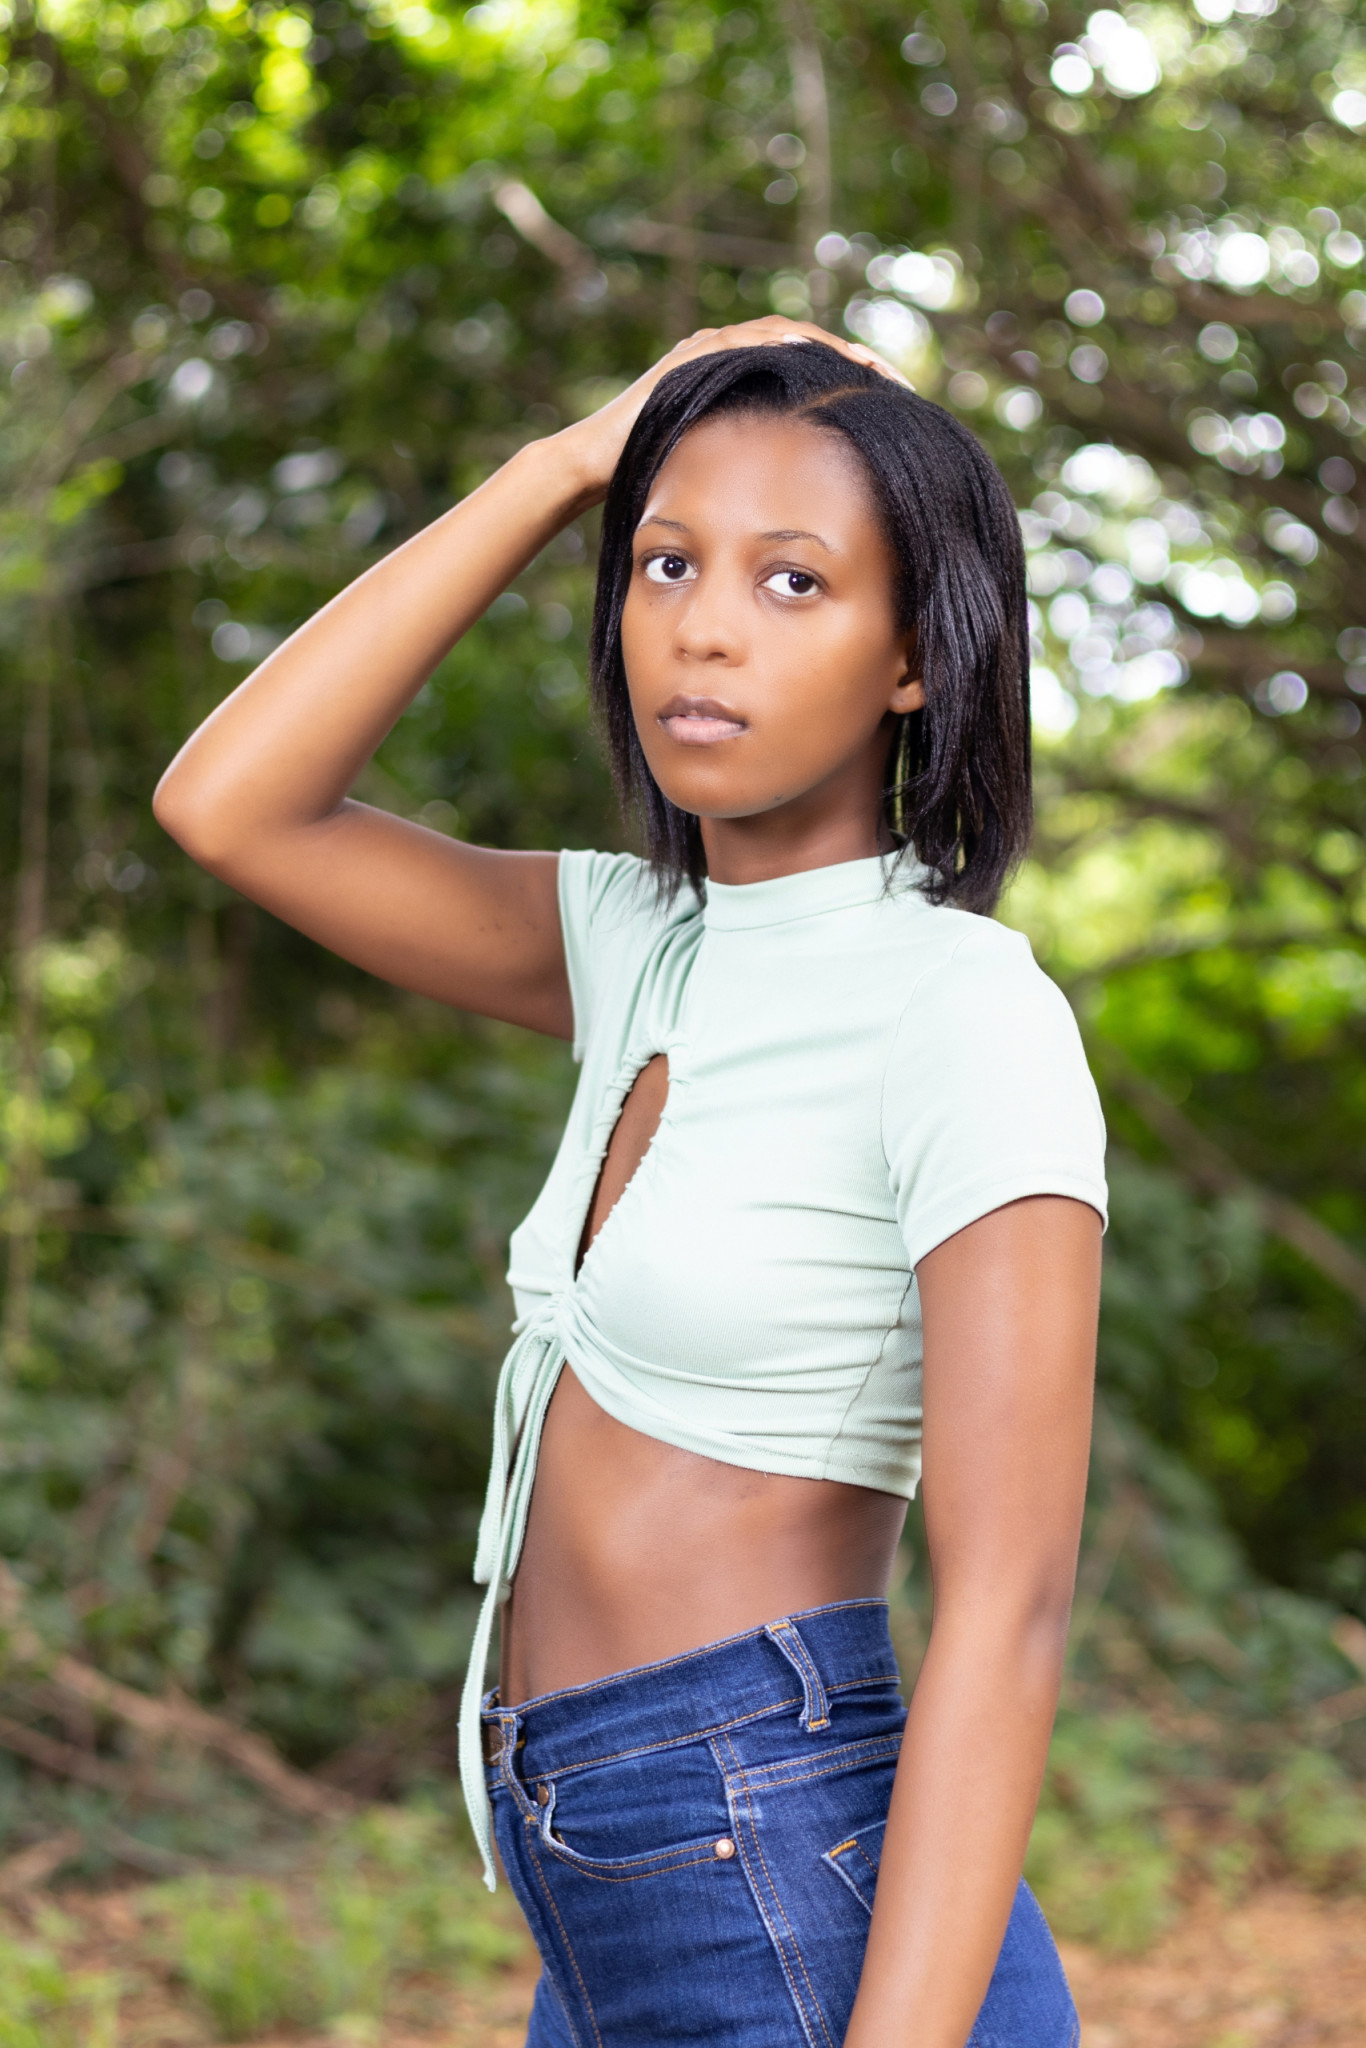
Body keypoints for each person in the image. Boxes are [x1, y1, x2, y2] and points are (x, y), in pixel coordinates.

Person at [155, 317, 1106, 2048]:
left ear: (913, 657)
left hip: (793, 1881)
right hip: (599, 1882)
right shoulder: (633, 940)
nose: (704, 625)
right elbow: (234, 805)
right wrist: (565, 464)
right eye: (666, 563)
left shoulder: (961, 1010)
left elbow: (1008, 1603)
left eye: (793, 581)